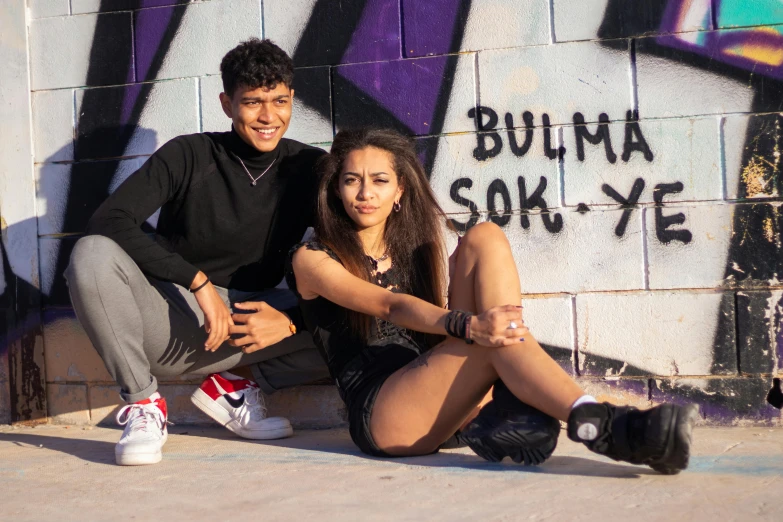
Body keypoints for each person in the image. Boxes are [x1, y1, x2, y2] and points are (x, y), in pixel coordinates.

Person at [286, 128, 699, 474]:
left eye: (379, 180)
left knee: (484, 236)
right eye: (351, 180)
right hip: (387, 417)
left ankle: (512, 407)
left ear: (399, 191)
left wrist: (477, 325)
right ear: (336, 190)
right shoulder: (313, 259)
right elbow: (388, 306)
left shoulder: (419, 249)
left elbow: (434, 335)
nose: (364, 192)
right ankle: (600, 422)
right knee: (485, 338)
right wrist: (469, 326)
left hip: (449, 403)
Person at [65, 38, 331, 466]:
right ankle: (143, 404)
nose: (269, 116)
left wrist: (292, 318)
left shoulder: (310, 167)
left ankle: (234, 388)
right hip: (176, 319)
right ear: (227, 104)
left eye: (280, 100)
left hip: (250, 325)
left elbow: (350, 256)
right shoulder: (188, 154)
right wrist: (197, 282)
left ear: (292, 99)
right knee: (91, 253)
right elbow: (108, 220)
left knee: (366, 314)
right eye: (253, 102)